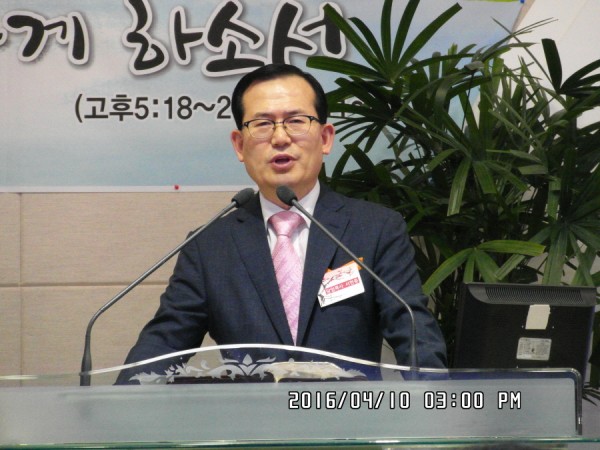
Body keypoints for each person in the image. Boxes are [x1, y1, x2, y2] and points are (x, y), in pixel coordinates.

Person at [117, 64, 446, 383]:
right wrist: (118, 403)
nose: (280, 137)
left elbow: (414, 335)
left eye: (296, 121)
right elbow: (161, 348)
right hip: (254, 420)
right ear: (239, 145)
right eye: (262, 124)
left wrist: (433, 401)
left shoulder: (375, 229)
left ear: (326, 138)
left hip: (349, 416)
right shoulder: (208, 247)